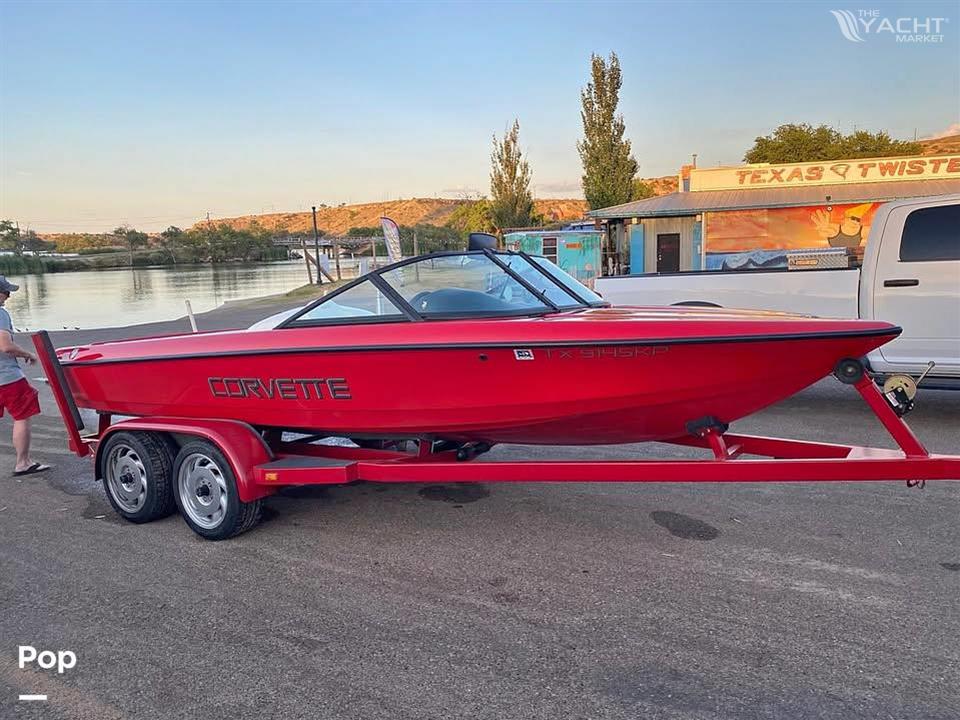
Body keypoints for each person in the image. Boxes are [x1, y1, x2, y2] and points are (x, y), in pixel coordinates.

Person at [0, 276, 50, 476]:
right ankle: (23, 463)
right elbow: (5, 346)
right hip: (6, 377)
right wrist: (28, 354)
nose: (8, 297)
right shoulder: (0, 313)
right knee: (22, 415)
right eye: (6, 292)